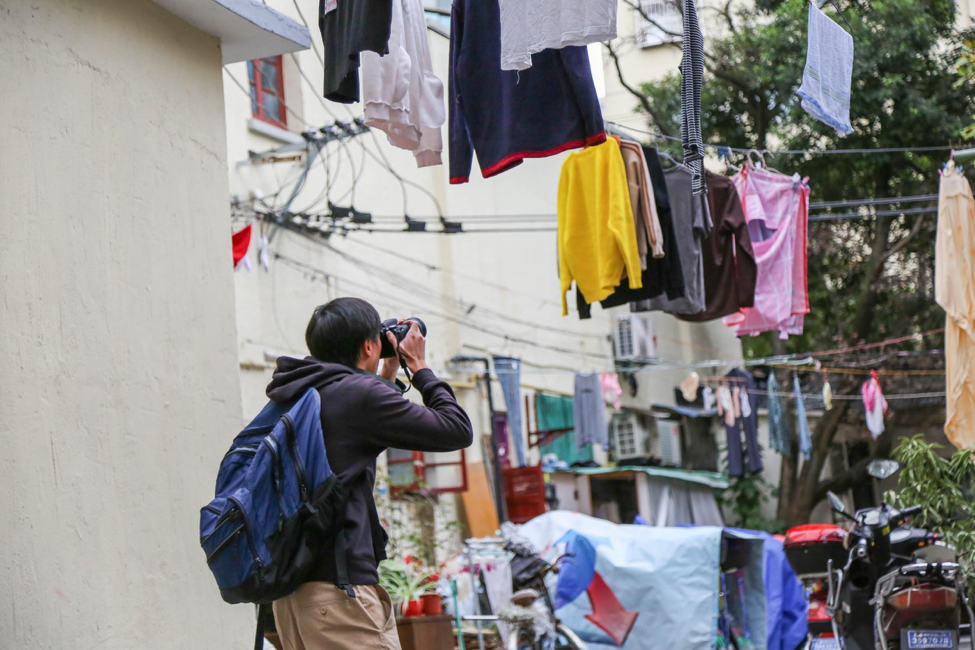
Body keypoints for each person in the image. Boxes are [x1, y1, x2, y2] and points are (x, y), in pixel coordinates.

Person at [264, 297, 473, 650]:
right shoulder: (359, 396)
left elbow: (364, 419)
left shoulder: (300, 391)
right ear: (367, 345)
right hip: (339, 596)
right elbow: (456, 429)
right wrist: (419, 366)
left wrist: (386, 370)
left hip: (294, 598)